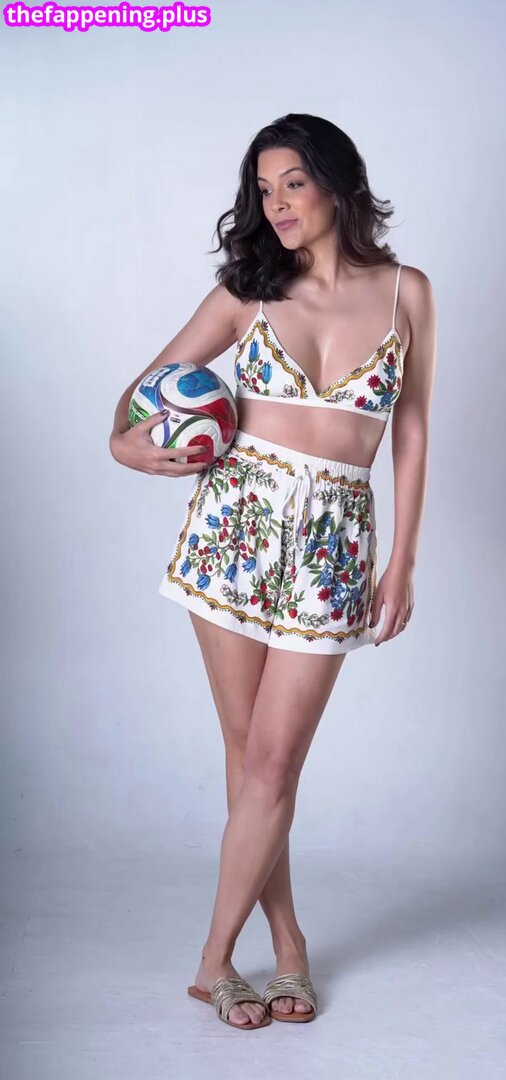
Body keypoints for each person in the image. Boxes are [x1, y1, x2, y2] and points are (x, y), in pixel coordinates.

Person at [109, 113, 436, 1030]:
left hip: (334, 545)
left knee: (274, 761)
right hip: (234, 527)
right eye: (263, 189)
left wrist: (402, 560)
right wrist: (126, 446)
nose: (277, 203)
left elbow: (411, 430)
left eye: (293, 182)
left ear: (337, 181)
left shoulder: (406, 291)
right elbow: (139, 393)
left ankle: (233, 954)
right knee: (253, 757)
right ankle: (258, 951)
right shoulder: (246, 291)